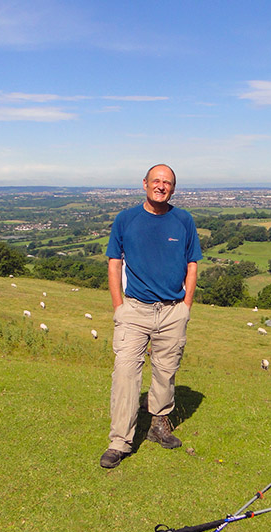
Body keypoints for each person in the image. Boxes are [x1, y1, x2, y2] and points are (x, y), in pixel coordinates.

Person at [100, 164, 202, 469]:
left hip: (172, 310)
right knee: (126, 374)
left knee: (165, 372)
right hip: (134, 310)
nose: (161, 186)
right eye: (156, 181)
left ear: (173, 188)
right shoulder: (126, 219)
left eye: (167, 183)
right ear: (144, 184)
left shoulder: (183, 220)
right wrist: (119, 305)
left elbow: (192, 265)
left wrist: (185, 306)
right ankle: (120, 441)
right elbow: (114, 262)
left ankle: (159, 425)